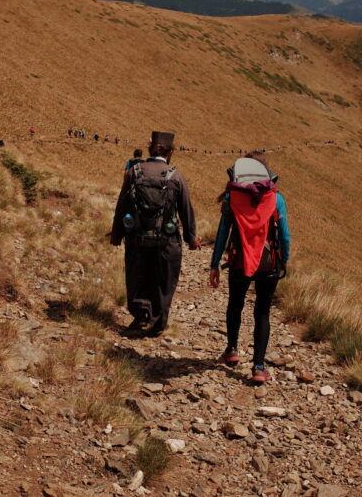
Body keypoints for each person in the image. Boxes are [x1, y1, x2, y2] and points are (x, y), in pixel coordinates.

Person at [209, 151, 290, 384]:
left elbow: (223, 233)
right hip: (268, 264)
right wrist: (284, 260)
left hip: (239, 261)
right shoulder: (276, 199)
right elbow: (284, 235)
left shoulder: (232, 197)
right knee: (262, 312)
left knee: (235, 304)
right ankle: (258, 367)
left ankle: (232, 350)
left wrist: (215, 265)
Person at [111, 131, 199, 336]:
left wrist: (117, 234)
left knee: (138, 275)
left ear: (150, 149)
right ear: (170, 152)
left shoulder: (134, 172)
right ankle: (158, 322)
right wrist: (191, 238)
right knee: (164, 279)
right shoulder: (175, 176)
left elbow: (122, 204)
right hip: (166, 240)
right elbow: (186, 209)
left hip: (137, 237)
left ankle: (141, 315)